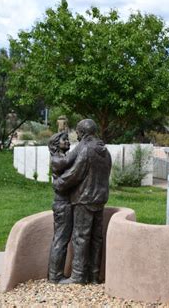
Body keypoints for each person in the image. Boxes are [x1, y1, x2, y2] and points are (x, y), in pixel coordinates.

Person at [54, 119, 112, 284]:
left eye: (78, 133)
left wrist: (58, 183)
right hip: (100, 199)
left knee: (81, 237)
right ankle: (94, 275)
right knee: (96, 238)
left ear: (83, 133)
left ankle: (78, 276)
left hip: (84, 199)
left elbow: (75, 173)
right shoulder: (104, 151)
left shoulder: (85, 149)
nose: (77, 137)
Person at [47, 132, 75, 283]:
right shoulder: (58, 160)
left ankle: (52, 274)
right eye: (65, 140)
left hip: (64, 203)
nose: (68, 142)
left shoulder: (61, 158)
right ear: (56, 144)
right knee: (61, 240)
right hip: (62, 204)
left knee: (60, 239)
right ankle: (56, 276)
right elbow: (72, 171)